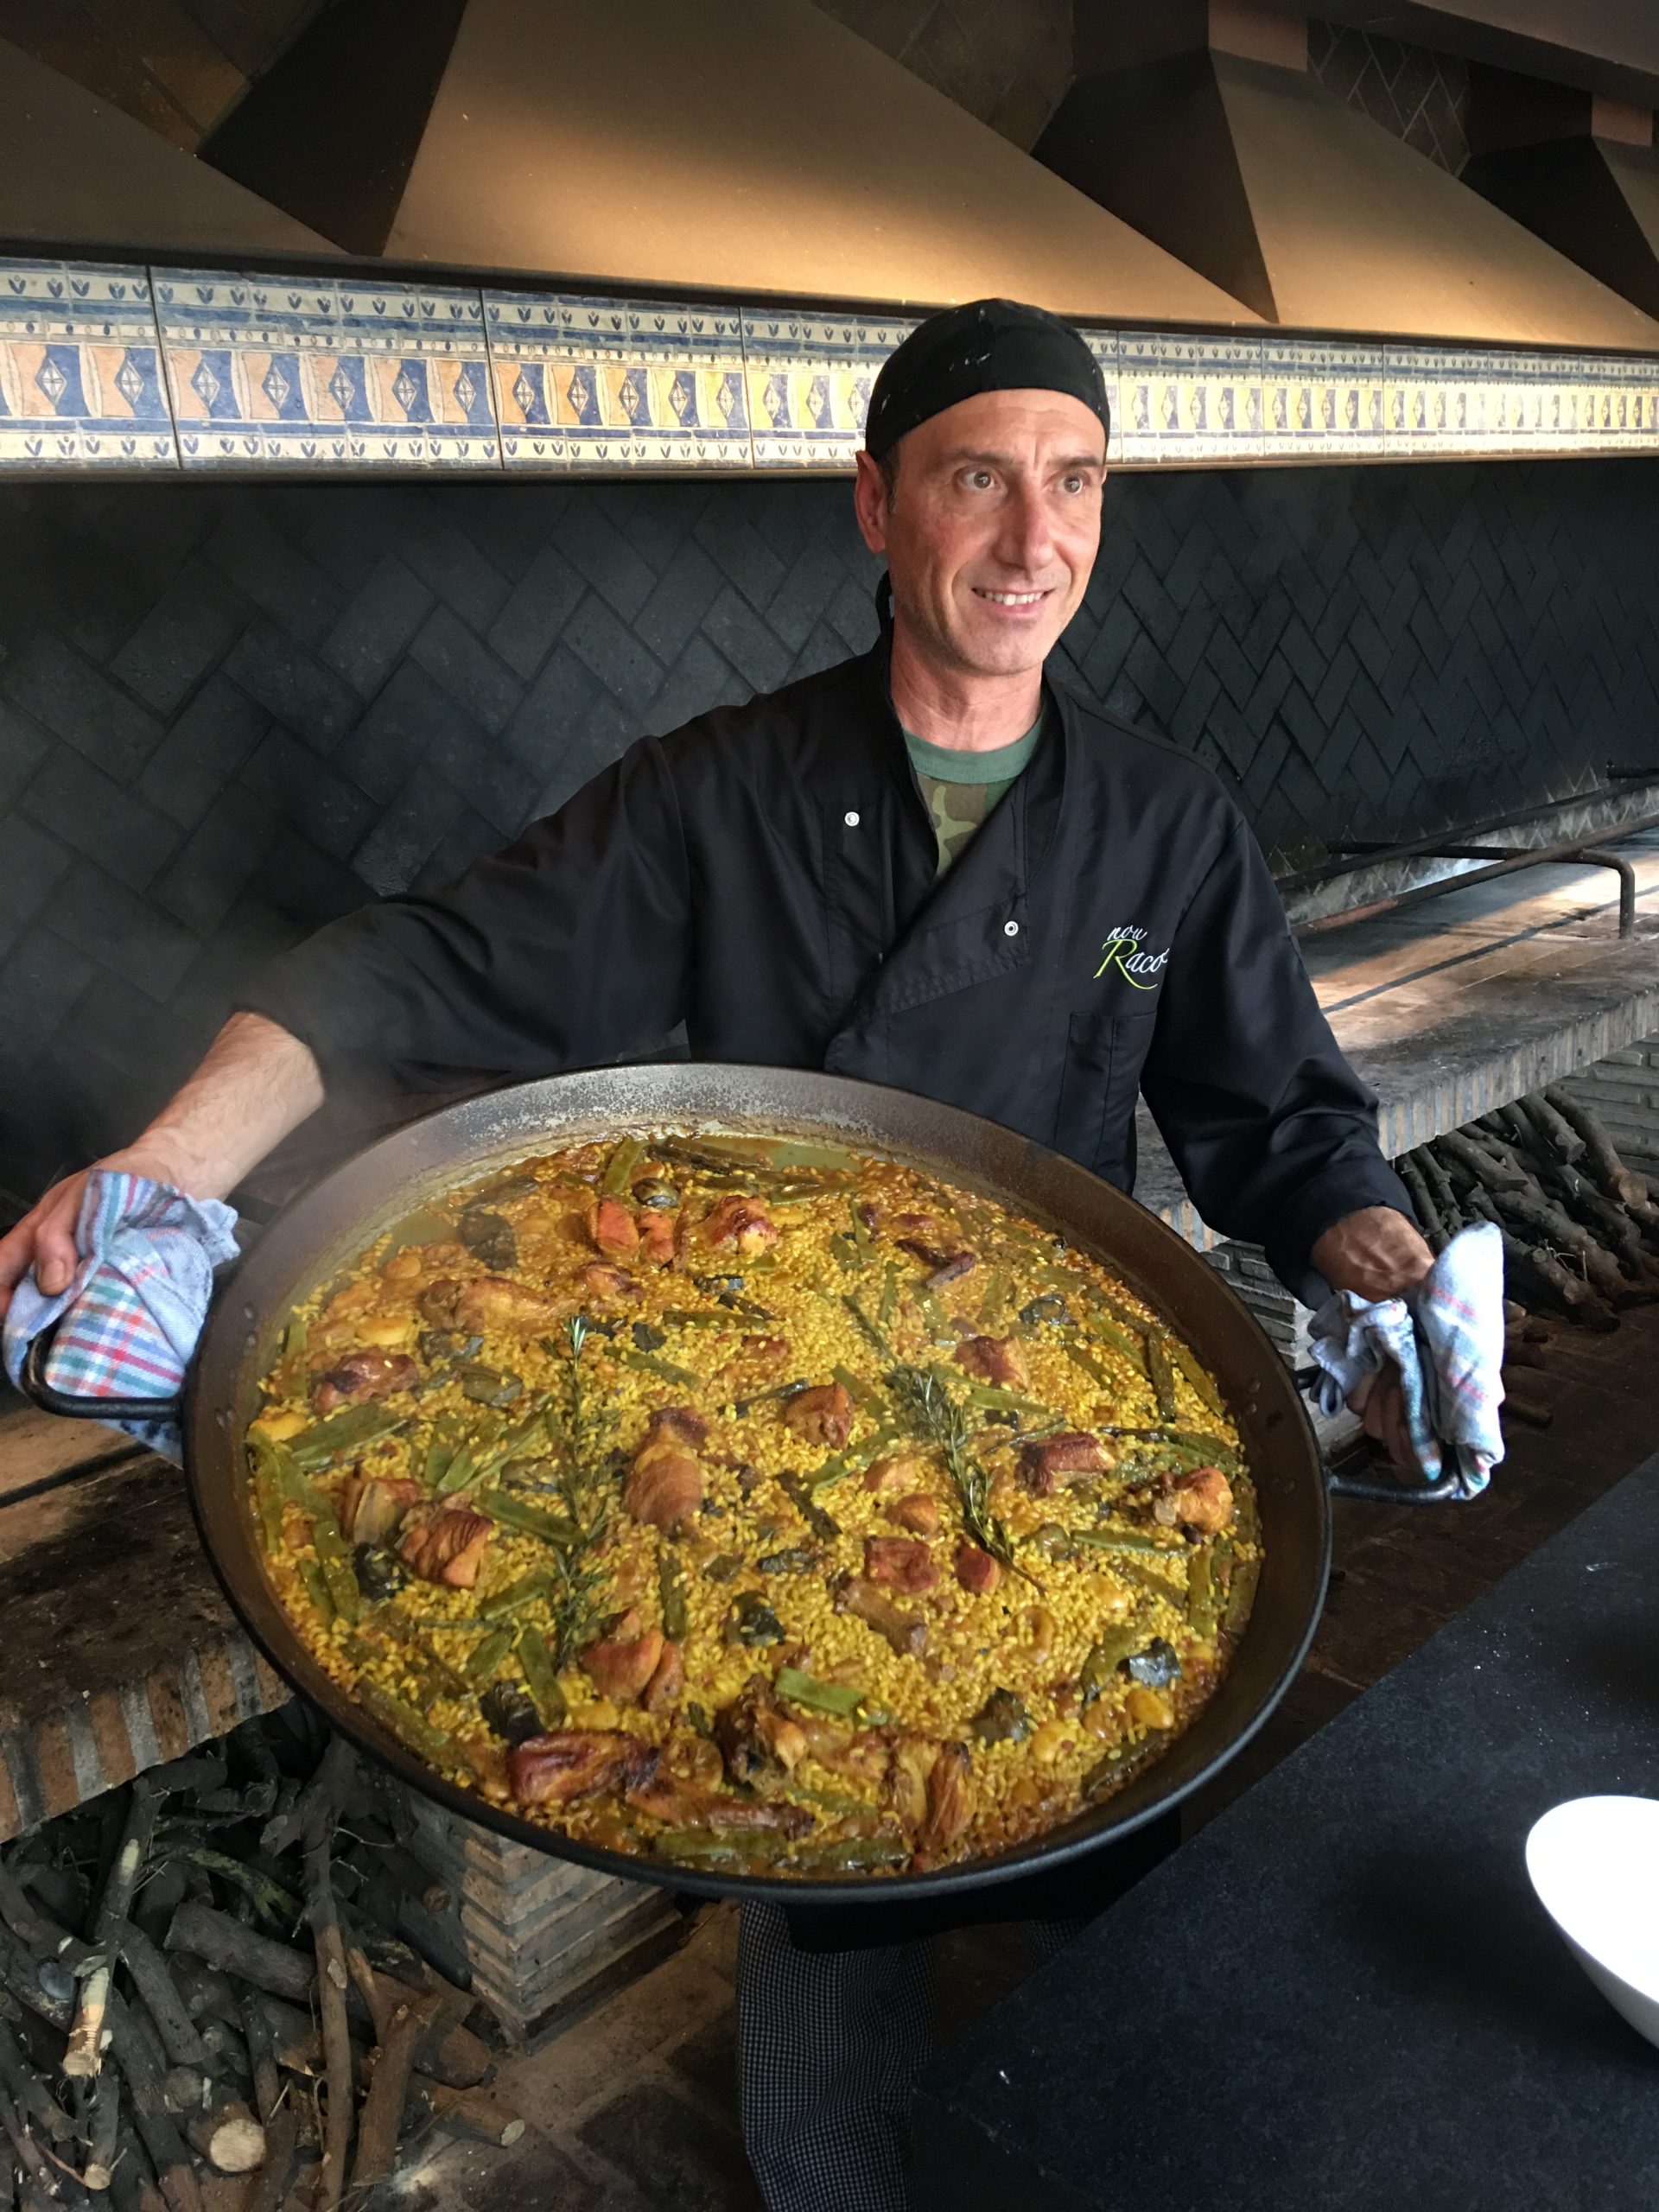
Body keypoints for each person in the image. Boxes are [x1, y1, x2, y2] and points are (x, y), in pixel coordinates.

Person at [0, 299, 1431, 2209]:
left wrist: (1382, 1261)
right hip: (751, 1439)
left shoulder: (1164, 821)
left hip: (1057, 1445)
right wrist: (160, 1164)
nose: (1036, 538)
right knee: (829, 1982)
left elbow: (1286, 1118)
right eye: (979, 479)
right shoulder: (719, 788)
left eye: (1077, 482)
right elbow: (416, 965)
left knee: (1132, 1983)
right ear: (877, 506)